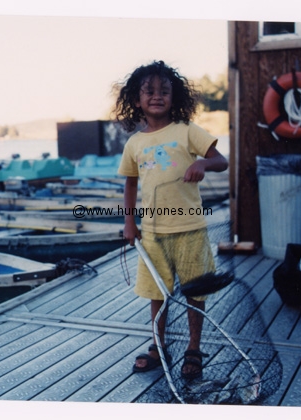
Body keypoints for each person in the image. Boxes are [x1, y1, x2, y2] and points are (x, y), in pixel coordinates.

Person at [115, 60, 228, 378]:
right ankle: (157, 345)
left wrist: (204, 165)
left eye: (164, 91)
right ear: (136, 100)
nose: (156, 96)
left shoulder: (187, 131)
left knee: (196, 290)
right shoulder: (135, 143)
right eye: (148, 91)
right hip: (152, 234)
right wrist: (129, 222)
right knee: (156, 292)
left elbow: (221, 160)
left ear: (174, 97)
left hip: (190, 229)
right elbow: (131, 183)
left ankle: (194, 348)